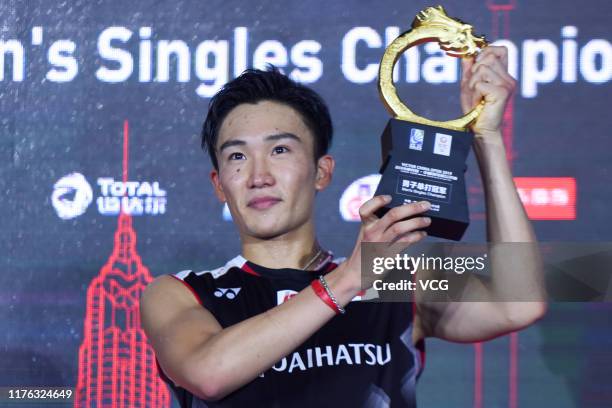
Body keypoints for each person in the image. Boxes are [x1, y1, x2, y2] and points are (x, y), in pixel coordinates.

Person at [140, 46, 546, 407]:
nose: (258, 175)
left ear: (322, 172)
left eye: (280, 150)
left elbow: (518, 302)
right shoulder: (180, 293)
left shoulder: (393, 285)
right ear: (219, 186)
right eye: (237, 157)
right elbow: (209, 374)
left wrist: (486, 137)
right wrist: (350, 278)